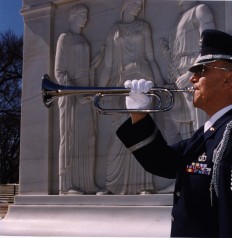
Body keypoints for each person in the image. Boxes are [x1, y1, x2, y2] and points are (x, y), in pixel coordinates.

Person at [116, 29, 232, 237]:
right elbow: (163, 162)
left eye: (201, 70)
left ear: (229, 80)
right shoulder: (213, 131)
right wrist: (139, 115)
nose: (192, 79)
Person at [97, 0, 164, 195]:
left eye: (140, 5)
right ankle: (111, 186)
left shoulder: (144, 27)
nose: (138, 7)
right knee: (118, 134)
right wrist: (99, 90)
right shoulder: (114, 29)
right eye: (134, 3)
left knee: (143, 129)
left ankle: (144, 185)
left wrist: (160, 84)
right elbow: (108, 65)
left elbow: (150, 58)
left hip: (142, 79)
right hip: (120, 83)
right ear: (125, 4)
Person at [55, 4, 101, 194]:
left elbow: (84, 71)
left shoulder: (84, 41)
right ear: (72, 16)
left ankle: (87, 183)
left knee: (88, 138)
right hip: (71, 98)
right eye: (82, 14)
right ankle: (66, 185)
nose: (85, 18)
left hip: (85, 96)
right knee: (70, 139)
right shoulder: (64, 38)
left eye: (87, 14)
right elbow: (60, 72)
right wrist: (76, 94)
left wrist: (94, 65)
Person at [160, 1, 215, 144]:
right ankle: (183, 159)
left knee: (199, 122)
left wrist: (191, 73)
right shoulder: (178, 19)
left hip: (194, 73)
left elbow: (211, 45)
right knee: (173, 121)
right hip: (178, 76)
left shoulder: (200, 10)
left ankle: (201, 158)